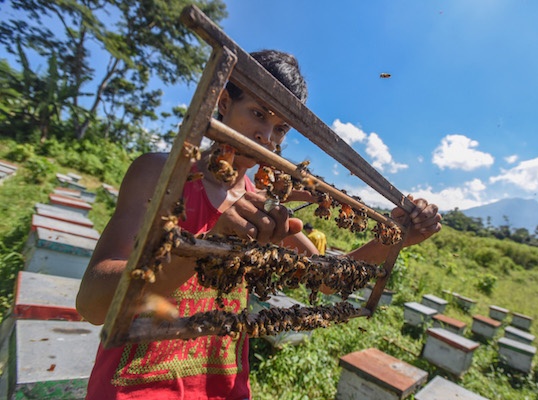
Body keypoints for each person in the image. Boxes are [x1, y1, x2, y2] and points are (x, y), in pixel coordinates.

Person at [76, 49, 442, 400]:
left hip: (226, 389)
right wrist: (211, 246)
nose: (267, 137)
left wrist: (398, 240)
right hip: (135, 390)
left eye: (281, 128)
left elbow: (327, 279)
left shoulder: (266, 206)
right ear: (222, 103)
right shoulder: (160, 174)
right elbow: (92, 304)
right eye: (257, 114)